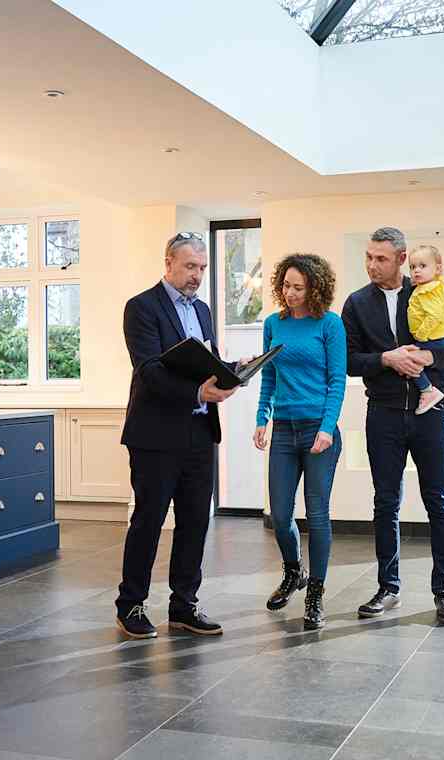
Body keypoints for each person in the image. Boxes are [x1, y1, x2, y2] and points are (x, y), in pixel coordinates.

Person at [341, 227, 444, 625]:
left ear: (400, 258)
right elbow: (347, 361)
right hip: (383, 415)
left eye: (380, 258)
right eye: (368, 257)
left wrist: (427, 359)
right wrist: (386, 359)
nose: (371, 265)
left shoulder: (427, 290)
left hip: (432, 414)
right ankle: (388, 587)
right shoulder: (356, 303)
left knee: (439, 502)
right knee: (385, 503)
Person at [114, 232, 236, 640]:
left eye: (202, 268)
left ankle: (184, 605)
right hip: (155, 435)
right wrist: (198, 392)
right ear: (168, 263)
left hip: (200, 432)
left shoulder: (202, 310)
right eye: (189, 267)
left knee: (195, 522)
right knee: (149, 521)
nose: (197, 275)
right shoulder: (141, 307)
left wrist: (233, 371)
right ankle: (130, 605)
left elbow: (205, 362)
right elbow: (150, 370)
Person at [253, 254, 346, 631]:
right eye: (286, 286)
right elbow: (268, 376)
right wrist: (262, 418)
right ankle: (294, 572)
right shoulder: (273, 324)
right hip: (284, 430)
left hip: (318, 431)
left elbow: (337, 380)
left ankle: (316, 593)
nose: (290, 293)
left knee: (317, 513)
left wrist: (327, 427)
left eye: (298, 288)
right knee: (279, 514)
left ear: (314, 289)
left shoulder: (330, 324)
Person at [405, 244, 444, 414]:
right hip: (442, 337)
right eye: (412, 267)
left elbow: (434, 316)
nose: (416, 270)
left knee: (409, 360)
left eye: (422, 266)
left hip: (433, 337)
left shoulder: (427, 290)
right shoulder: (433, 286)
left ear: (438, 269)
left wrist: (421, 336)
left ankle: (427, 390)